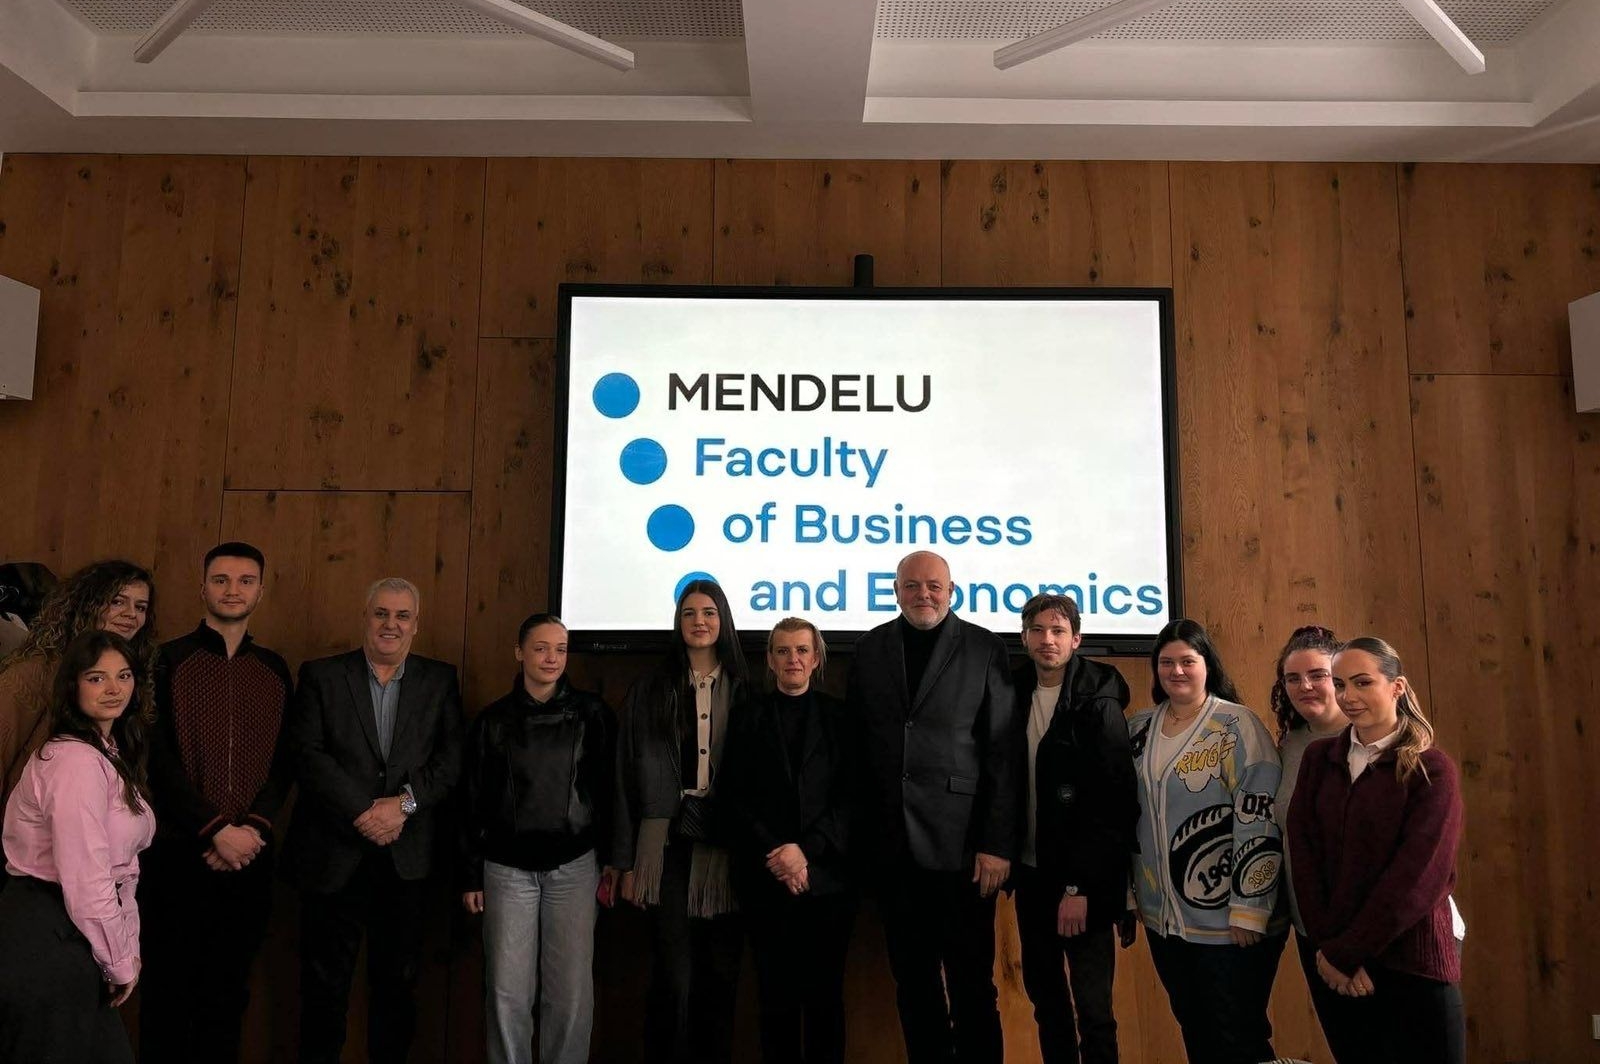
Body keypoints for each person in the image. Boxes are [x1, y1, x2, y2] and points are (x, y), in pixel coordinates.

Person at [847, 550, 1019, 1064]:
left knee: (972, 985)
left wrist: (997, 843)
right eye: (912, 585)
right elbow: (858, 747)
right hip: (893, 850)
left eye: (934, 586)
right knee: (913, 984)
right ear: (896, 591)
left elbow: (1003, 752)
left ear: (951, 591)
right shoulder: (870, 648)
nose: (923, 594)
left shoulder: (984, 647)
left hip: (964, 850)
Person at [285, 577, 464, 1064]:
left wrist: (402, 805)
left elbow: (450, 761)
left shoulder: (439, 680)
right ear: (365, 617)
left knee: (397, 988)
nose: (391, 624)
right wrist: (365, 811)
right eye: (381, 613)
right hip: (332, 855)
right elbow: (307, 754)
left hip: (406, 860)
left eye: (402, 616)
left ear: (416, 624)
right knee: (323, 989)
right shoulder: (321, 675)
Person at [138, 542, 295, 1063]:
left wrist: (250, 831)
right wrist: (214, 829)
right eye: (221, 579)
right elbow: (156, 757)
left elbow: (286, 761)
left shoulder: (274, 669)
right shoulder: (165, 661)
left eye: (245, 580)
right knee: (168, 996)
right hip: (178, 856)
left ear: (261, 591)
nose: (233, 589)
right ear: (202, 587)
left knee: (228, 997)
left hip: (249, 859)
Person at [1288, 636, 1465, 1064]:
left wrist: (1349, 953)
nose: (1348, 696)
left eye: (1362, 682)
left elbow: (1418, 879)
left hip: (1411, 963)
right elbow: (1304, 858)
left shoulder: (1432, 768)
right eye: (1341, 684)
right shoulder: (1318, 759)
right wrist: (1331, 953)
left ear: (1396, 687)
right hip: (1335, 962)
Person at [460, 613, 615, 1064]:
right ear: (519, 652)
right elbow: (471, 800)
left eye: (560, 649)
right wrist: (470, 873)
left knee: (570, 994)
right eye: (541, 648)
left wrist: (613, 860)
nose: (551, 658)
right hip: (506, 869)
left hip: (575, 867)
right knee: (506, 993)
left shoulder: (592, 714)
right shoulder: (492, 720)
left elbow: (609, 792)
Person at [1128, 618, 1284, 1064]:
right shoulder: (1138, 729)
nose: (1176, 671)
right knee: (1194, 1028)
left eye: (1187, 661)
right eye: (1166, 662)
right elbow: (1123, 816)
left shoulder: (1237, 726)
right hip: (1164, 920)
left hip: (1230, 923)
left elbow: (1258, 817)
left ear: (1207, 665)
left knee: (1239, 1035)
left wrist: (1250, 908)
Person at [610, 579, 750, 1064]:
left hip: (726, 847)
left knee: (720, 978)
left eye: (709, 612)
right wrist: (625, 861)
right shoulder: (649, 690)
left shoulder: (746, 690)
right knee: (673, 979)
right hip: (664, 847)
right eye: (689, 613)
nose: (699, 622)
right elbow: (624, 778)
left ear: (723, 620)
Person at [0, 631, 155, 1063]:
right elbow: (87, 877)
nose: (113, 688)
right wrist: (119, 961)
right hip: (47, 932)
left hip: (76, 935)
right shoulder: (73, 761)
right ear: (73, 685)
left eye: (124, 675)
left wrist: (126, 949)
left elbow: (123, 869)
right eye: (96, 677)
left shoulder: (106, 753)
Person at [721, 617, 856, 1064]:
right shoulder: (747, 716)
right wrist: (780, 855)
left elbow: (853, 798)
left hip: (829, 882)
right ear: (770, 659)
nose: (792, 659)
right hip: (766, 880)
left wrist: (806, 853)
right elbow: (734, 797)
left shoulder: (841, 718)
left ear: (816, 659)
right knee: (774, 999)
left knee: (825, 1000)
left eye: (801, 650)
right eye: (783, 651)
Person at [1012, 593, 1137, 1064]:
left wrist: (1078, 887)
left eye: (1058, 631)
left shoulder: (1099, 700)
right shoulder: (1011, 692)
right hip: (1032, 877)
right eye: (1038, 630)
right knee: (1047, 1004)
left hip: (1084, 883)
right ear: (1025, 638)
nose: (1048, 639)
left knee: (1094, 1011)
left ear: (1076, 639)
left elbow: (1112, 802)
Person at [1, 560, 156, 805]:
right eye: (117, 601)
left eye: (140, 607)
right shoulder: (36, 672)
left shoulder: (135, 678)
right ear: (87, 605)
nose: (131, 614)